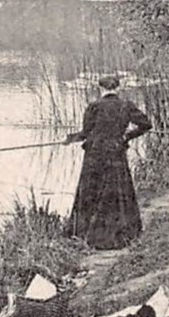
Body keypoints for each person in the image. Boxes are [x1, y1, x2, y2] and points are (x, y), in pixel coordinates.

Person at [65, 75, 152, 251]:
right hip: (116, 153)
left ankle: (84, 234)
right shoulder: (126, 106)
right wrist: (127, 136)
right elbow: (146, 124)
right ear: (118, 88)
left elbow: (86, 132)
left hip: (95, 155)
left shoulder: (94, 106)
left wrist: (70, 139)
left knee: (91, 191)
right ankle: (122, 234)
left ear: (101, 89)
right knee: (117, 192)